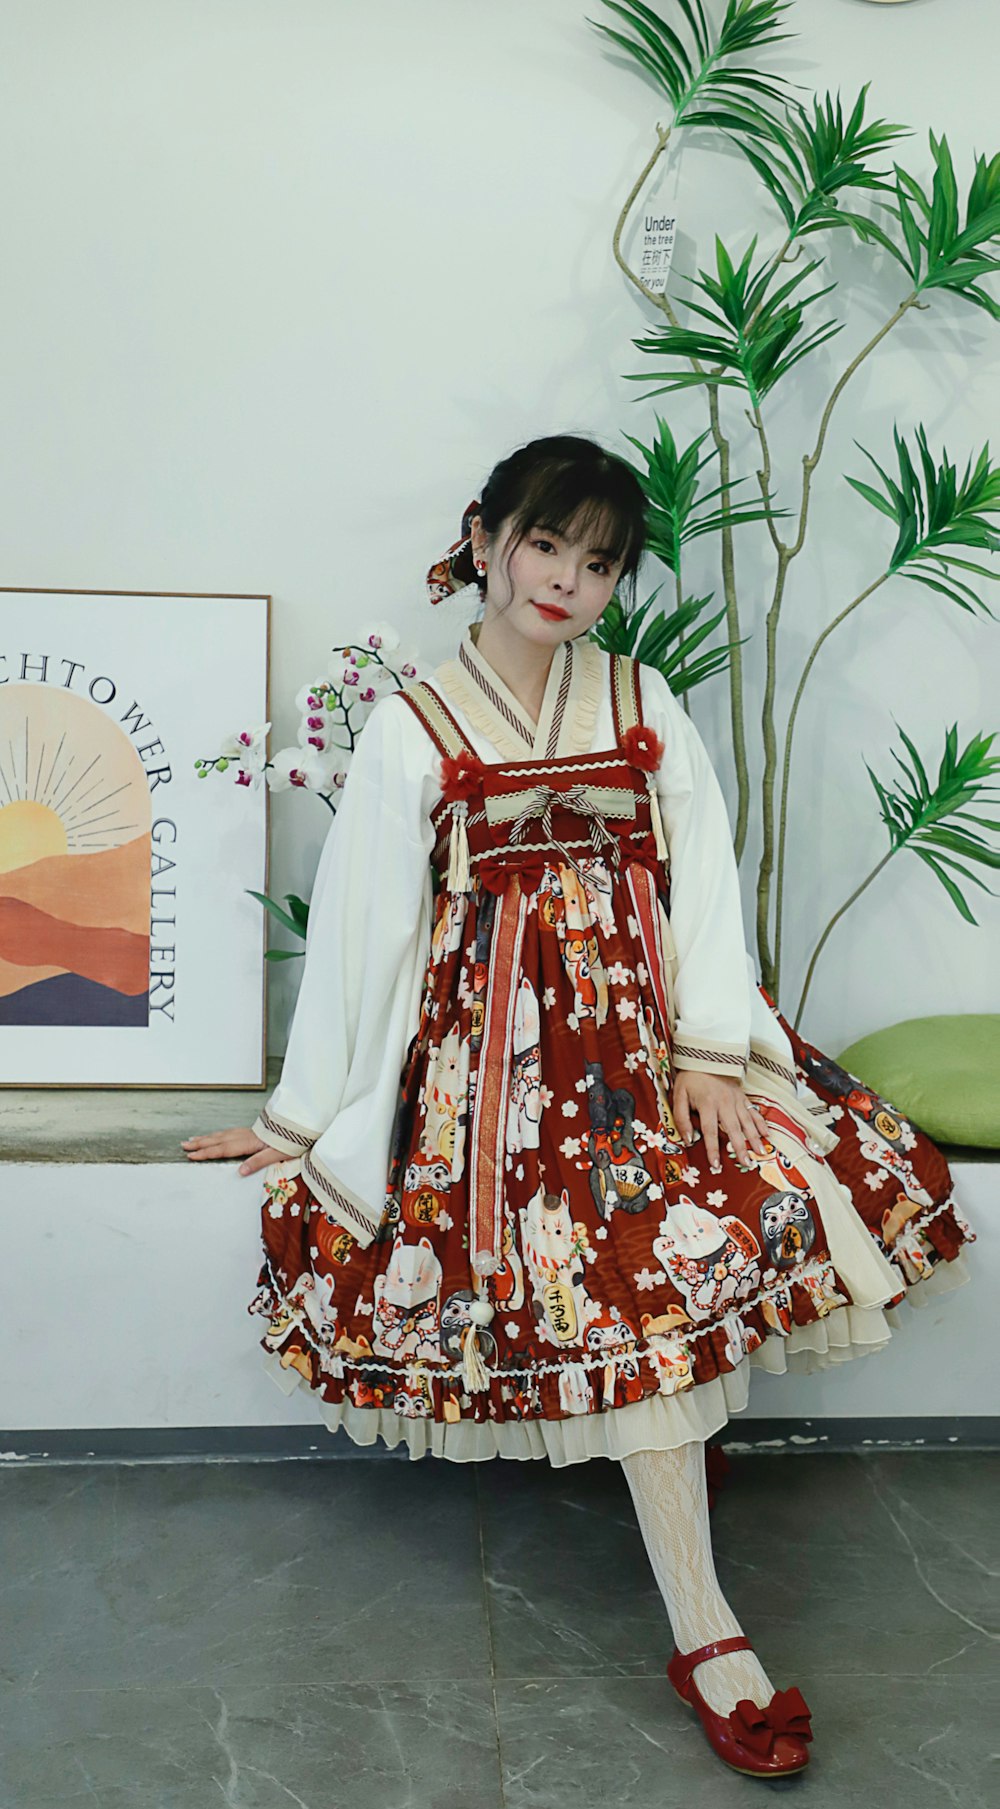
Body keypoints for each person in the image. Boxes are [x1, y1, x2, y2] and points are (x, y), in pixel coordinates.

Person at [183, 434, 974, 1778]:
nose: (565, 578)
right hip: (483, 1066)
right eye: (544, 543)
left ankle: (683, 1520)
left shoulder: (642, 695)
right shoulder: (416, 724)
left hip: (641, 1044)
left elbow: (703, 883)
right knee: (599, 1271)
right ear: (483, 536)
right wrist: (307, 1115)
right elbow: (368, 930)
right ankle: (709, 1622)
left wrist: (714, 1053)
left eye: (598, 559)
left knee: (746, 1201)